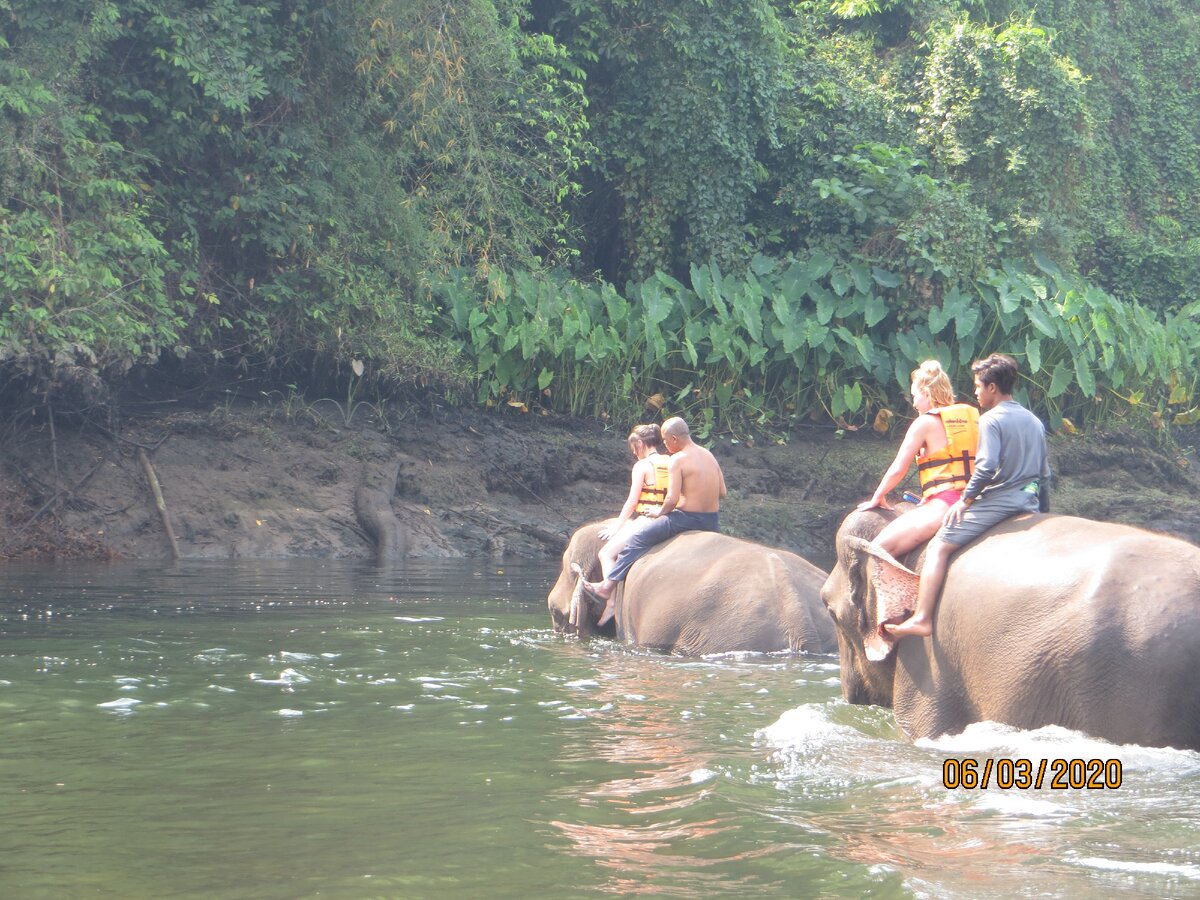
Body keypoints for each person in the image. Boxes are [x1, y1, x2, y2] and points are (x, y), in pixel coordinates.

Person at [885, 353, 1051, 640]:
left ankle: (922, 618)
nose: (975, 392)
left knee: (940, 544)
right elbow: (1045, 474)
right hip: (1030, 498)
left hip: (1003, 499)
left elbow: (985, 468)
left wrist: (964, 501)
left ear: (992, 388)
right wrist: (1043, 513)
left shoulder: (991, 420)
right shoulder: (1034, 421)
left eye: (978, 386)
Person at [582, 415, 727, 626]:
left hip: (686, 519)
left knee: (636, 540)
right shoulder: (709, 455)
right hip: (712, 521)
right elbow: (723, 492)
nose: (665, 446)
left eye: (666, 441)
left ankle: (607, 585)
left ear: (674, 438)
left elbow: (671, 499)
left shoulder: (678, 459)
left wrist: (658, 512)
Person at [858, 360, 979, 559]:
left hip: (948, 501)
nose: (913, 404)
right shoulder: (972, 419)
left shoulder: (924, 423)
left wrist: (877, 497)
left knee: (877, 551)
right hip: (978, 498)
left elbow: (899, 468)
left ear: (927, 393)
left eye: (915, 396)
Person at [596, 424, 671, 580]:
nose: (634, 453)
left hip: (649, 519)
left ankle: (609, 595)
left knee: (606, 554)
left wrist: (617, 526)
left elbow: (632, 502)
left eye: (634, 449)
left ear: (640, 444)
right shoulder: (671, 461)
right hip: (670, 517)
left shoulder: (642, 465)